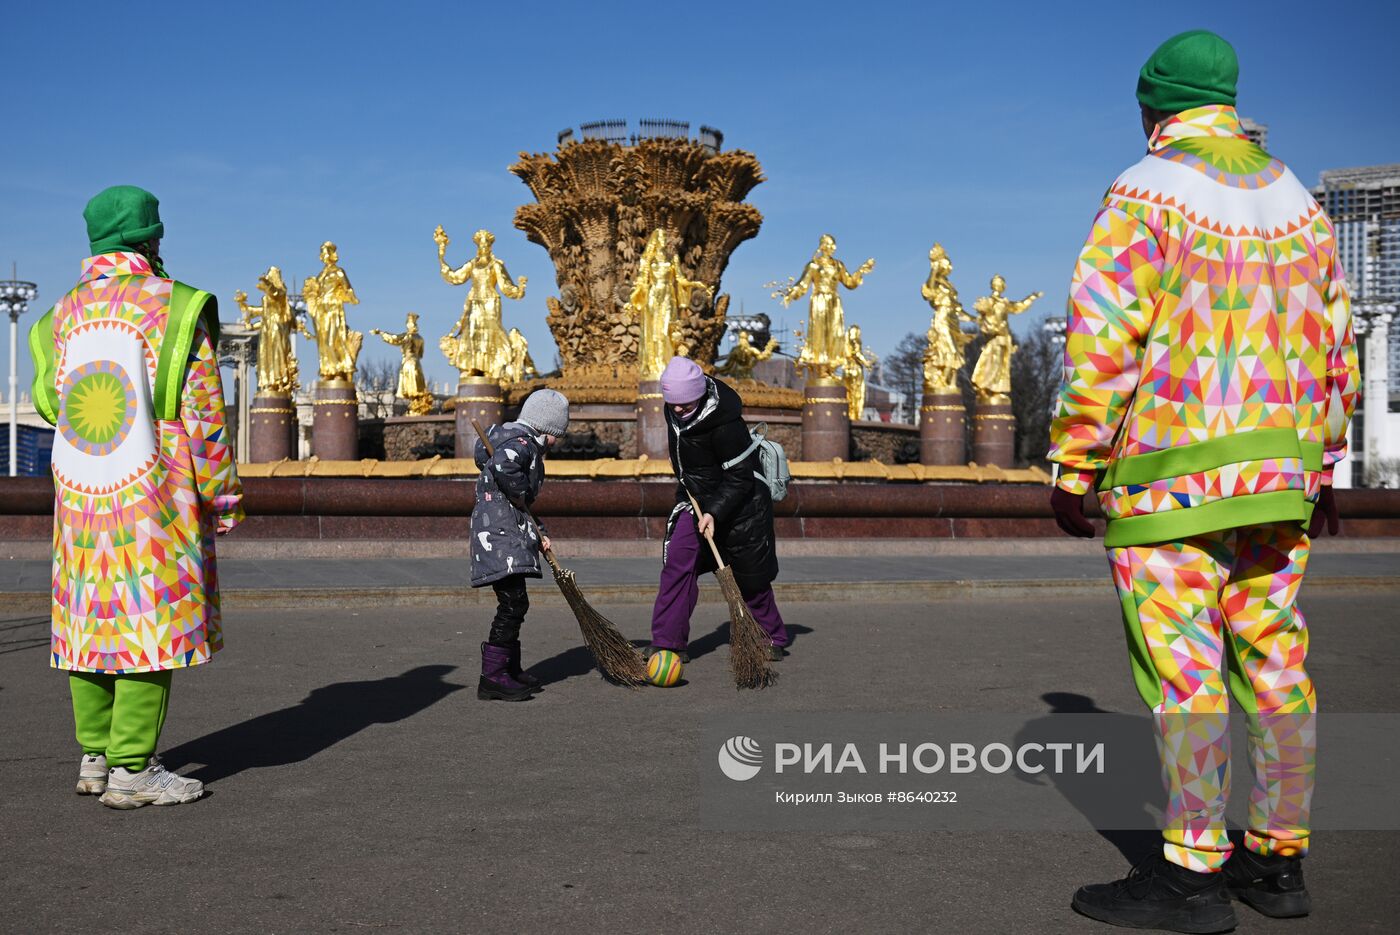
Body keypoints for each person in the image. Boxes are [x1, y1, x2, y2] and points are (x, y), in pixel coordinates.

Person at [1046, 31, 1358, 933]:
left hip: (1170, 484)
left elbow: (1104, 336)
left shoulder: (1145, 193)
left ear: (1153, 108)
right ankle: (1280, 860)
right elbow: (1334, 346)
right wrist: (1324, 462)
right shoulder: (1299, 201)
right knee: (1276, 664)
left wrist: (1076, 462)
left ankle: (1189, 877)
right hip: (1280, 482)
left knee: (1186, 677)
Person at [29, 185, 244, 808]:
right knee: (148, 622)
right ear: (148, 238)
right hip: (155, 493)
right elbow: (205, 415)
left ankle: (95, 757)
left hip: (82, 494)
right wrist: (222, 498)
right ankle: (132, 771)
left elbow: (51, 403)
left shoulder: (56, 319)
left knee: (91, 620)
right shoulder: (175, 308)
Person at [648, 357, 789, 662]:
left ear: (699, 394)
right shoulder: (674, 409)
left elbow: (740, 476)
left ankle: (770, 635)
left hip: (742, 504)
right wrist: (698, 503)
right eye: (672, 403)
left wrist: (714, 511)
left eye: (685, 404)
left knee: (750, 578)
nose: (678, 409)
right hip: (695, 500)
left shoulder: (726, 425)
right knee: (678, 564)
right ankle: (668, 642)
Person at [470, 389, 570, 701]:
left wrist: (537, 529)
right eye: (556, 436)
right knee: (513, 603)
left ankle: (510, 669)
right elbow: (505, 467)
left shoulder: (513, 440)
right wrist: (522, 489)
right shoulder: (522, 444)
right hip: (499, 536)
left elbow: (517, 502)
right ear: (545, 429)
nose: (554, 443)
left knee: (516, 602)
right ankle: (494, 676)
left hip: (503, 530)